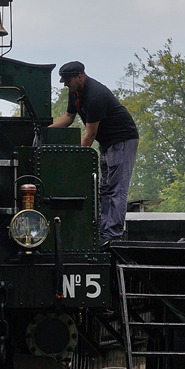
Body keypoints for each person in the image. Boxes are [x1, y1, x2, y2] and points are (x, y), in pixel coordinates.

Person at [47, 61, 139, 244]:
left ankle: (113, 234)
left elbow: (90, 135)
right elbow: (68, 118)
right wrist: (46, 130)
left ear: (80, 76)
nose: (65, 84)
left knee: (116, 188)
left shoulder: (95, 95)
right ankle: (103, 231)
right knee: (104, 188)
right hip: (106, 142)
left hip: (122, 140)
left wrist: (74, 159)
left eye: (68, 80)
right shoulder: (75, 92)